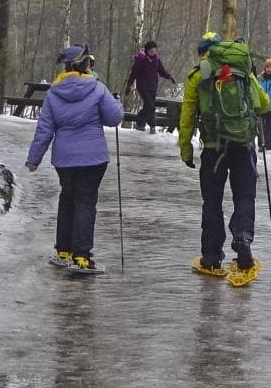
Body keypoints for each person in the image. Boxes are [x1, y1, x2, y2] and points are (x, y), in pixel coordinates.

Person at [178, 35, 271, 286]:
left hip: (213, 148)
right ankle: (242, 239)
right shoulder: (242, 70)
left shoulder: (198, 75)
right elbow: (264, 103)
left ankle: (210, 257)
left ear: (203, 52)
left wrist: (185, 150)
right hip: (242, 146)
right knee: (244, 196)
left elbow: (187, 115)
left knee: (212, 201)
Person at [26, 44, 125, 275]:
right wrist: (117, 102)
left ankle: (63, 250)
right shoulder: (98, 88)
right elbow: (114, 117)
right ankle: (81, 256)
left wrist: (34, 159)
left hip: (64, 159)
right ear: (84, 65)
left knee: (67, 199)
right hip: (93, 159)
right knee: (85, 203)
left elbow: (44, 130)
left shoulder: (53, 92)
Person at [126, 41, 168, 131]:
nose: (153, 53)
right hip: (143, 86)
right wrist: (129, 84)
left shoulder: (157, 60)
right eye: (151, 51)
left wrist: (169, 76)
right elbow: (134, 73)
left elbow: (162, 71)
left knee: (147, 106)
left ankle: (140, 124)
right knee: (151, 106)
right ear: (146, 51)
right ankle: (151, 125)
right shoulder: (141, 59)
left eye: (154, 51)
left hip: (153, 86)